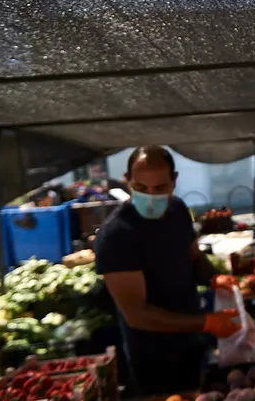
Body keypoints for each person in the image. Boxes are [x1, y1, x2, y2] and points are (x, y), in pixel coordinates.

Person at [94, 145, 240, 395]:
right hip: (153, 359)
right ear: (127, 180)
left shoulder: (178, 211)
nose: (151, 196)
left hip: (192, 343)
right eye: (141, 188)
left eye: (160, 188)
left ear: (174, 181)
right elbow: (137, 314)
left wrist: (214, 278)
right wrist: (206, 322)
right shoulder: (116, 236)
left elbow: (194, 256)